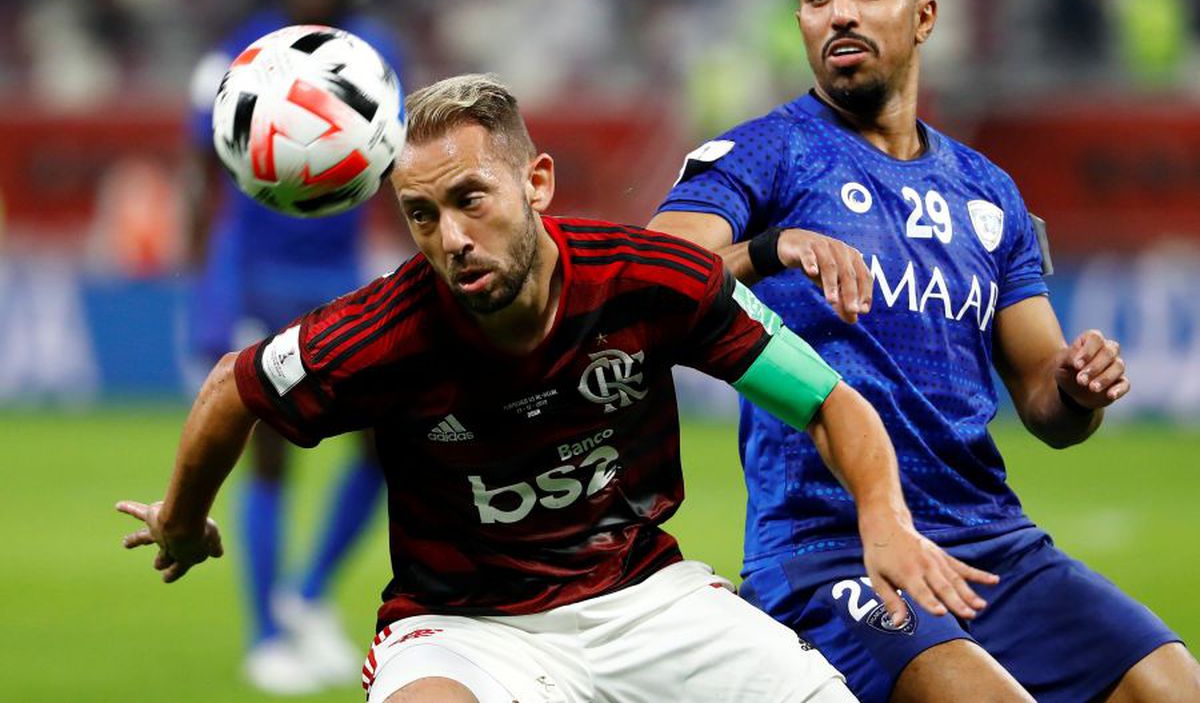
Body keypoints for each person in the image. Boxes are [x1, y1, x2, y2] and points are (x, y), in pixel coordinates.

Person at [121, 73, 998, 703]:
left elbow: (829, 400)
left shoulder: (653, 280)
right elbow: (232, 388)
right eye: (421, 215)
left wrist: (882, 513)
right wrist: (184, 514)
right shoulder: (380, 330)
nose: (451, 236)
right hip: (464, 628)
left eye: (472, 198)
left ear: (536, 182)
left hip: (646, 599)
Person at [650, 0, 1200, 703]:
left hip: (995, 548)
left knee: (1174, 687)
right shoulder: (769, 149)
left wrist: (1078, 384)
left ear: (924, 16)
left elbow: (1048, 404)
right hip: (826, 550)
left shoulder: (989, 192)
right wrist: (771, 248)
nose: (839, 10)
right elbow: (646, 277)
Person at [185, 0, 402, 694]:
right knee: (270, 448)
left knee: (385, 448)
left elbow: (397, 168)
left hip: (342, 278)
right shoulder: (241, 56)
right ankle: (266, 634)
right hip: (258, 278)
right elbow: (199, 171)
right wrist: (205, 286)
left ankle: (307, 594)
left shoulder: (376, 58)